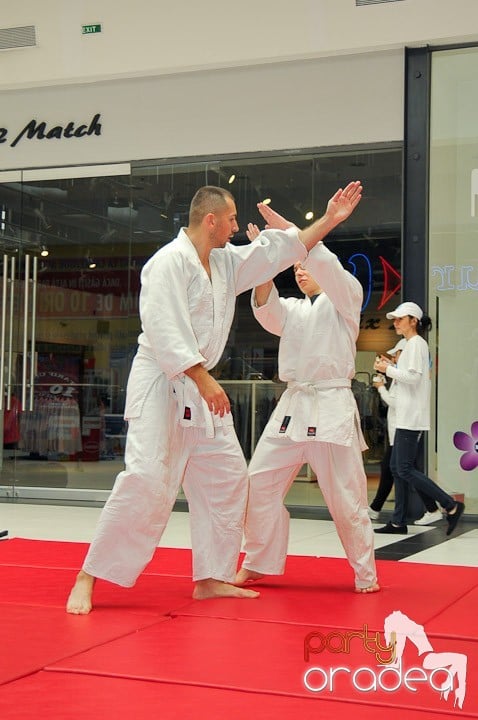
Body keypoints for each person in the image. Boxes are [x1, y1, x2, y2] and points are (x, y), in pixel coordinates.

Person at [66, 181, 363, 614]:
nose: (236, 226)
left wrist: (330, 220)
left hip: (201, 386)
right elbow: (164, 329)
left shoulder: (225, 263)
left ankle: (211, 577)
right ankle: (88, 576)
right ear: (210, 220)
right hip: (165, 381)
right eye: (231, 219)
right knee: (147, 480)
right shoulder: (166, 264)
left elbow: (281, 249)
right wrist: (204, 379)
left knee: (227, 477)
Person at [235, 205, 379, 594]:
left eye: (304, 264)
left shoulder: (346, 299)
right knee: (257, 482)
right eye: (295, 267)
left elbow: (325, 263)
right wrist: (265, 261)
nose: (300, 270)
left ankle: (365, 572)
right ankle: (258, 560)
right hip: (293, 408)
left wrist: (293, 234)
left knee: (346, 497)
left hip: (331, 406)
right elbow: (266, 310)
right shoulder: (295, 310)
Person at [374, 302, 464, 535]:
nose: (395, 322)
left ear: (413, 320)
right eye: (394, 319)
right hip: (407, 414)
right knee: (397, 467)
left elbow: (413, 378)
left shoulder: (416, 344)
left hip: (410, 416)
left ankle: (450, 505)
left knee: (402, 468)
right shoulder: (413, 345)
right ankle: (398, 521)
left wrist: (387, 370)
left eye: (400, 318)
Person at [368, 339, 442, 525]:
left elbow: (396, 402)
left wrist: (381, 387)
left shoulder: (409, 372)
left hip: (404, 428)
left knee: (398, 469)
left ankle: (443, 506)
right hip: (400, 428)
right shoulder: (401, 375)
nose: (394, 358)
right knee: (403, 470)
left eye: (397, 354)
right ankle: (424, 511)